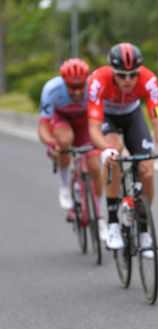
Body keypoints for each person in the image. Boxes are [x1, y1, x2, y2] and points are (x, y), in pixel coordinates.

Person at [87, 42, 158, 255]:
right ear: (113, 71)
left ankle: (143, 227)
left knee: (147, 169)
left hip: (132, 115)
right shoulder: (98, 81)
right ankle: (113, 222)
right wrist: (105, 149)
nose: (128, 80)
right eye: (122, 75)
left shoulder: (149, 80)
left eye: (133, 74)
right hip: (108, 117)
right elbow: (93, 129)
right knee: (114, 151)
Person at [38, 58, 106, 238]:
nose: (77, 91)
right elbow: (43, 126)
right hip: (62, 121)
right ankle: (64, 186)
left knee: (95, 166)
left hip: (85, 123)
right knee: (64, 140)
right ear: (64, 82)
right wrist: (51, 143)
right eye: (72, 87)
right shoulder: (51, 89)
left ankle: (100, 217)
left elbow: (102, 118)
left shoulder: (94, 87)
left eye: (80, 86)